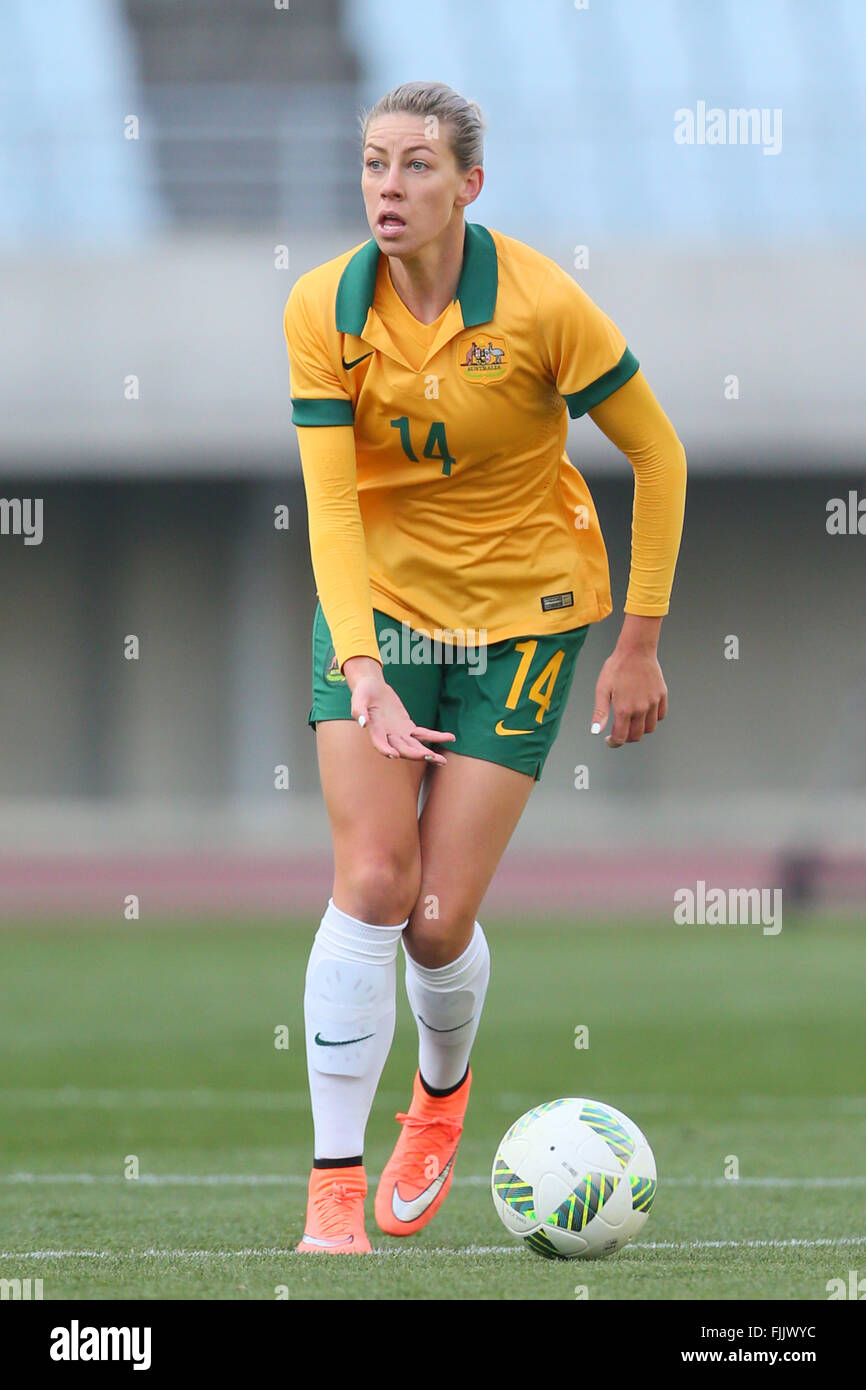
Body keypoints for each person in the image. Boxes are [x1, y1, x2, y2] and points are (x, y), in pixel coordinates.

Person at [283, 80, 686, 1253]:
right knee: (369, 879)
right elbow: (330, 504)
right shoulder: (322, 307)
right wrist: (361, 662)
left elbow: (657, 454)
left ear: (468, 184)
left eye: (414, 166)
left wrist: (640, 641)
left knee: (432, 917)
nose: (386, 188)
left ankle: (439, 1102)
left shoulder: (543, 304)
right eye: (370, 163)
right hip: (383, 619)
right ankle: (331, 1196)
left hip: (522, 621)